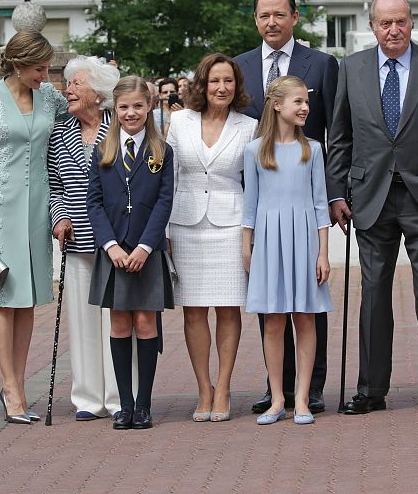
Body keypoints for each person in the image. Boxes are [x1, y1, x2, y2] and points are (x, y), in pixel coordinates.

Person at [326, 0, 418, 415]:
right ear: (372, 26)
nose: (394, 30)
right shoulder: (353, 67)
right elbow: (340, 136)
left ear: (412, 22)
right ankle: (370, 389)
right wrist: (336, 193)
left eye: (401, 21)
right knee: (373, 293)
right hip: (370, 197)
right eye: (385, 23)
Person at [235, 0, 339, 414]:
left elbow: (337, 130)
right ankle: (275, 389)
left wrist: (336, 198)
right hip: (266, 207)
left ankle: (309, 390)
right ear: (256, 19)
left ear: (295, 16)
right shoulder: (240, 67)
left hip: (304, 214)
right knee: (272, 313)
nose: (271, 22)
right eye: (264, 15)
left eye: (279, 14)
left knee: (308, 310)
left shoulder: (323, 65)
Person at [0, 30, 68, 424]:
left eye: (48, 68)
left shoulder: (50, 98)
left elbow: (78, 120)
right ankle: (10, 387)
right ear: (18, 64)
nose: (45, 75)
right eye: (39, 69)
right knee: (3, 296)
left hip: (39, 208)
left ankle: (20, 383)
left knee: (28, 299)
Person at [166, 53, 257, 422]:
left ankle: (223, 387)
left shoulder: (249, 127)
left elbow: (253, 186)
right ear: (202, 84)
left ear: (237, 87)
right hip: (185, 224)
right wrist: (166, 230)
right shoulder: (178, 121)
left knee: (229, 308)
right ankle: (203, 388)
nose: (222, 87)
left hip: (231, 226)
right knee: (194, 311)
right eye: (215, 80)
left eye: (229, 81)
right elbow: (168, 177)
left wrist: (250, 235)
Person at [243, 76, 332, 425]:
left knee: (306, 317)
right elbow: (249, 206)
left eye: (306, 102)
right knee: (274, 321)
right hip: (268, 240)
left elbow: (320, 205)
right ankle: (278, 397)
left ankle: (303, 399)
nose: (305, 107)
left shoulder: (312, 149)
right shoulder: (255, 151)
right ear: (277, 105)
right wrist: (247, 248)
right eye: (298, 101)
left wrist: (323, 253)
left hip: (305, 240)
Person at [87, 75, 174, 430]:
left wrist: (144, 246)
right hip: (114, 254)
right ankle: (124, 404)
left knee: (144, 322)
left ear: (149, 106)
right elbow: (92, 202)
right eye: (124, 107)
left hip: (145, 252)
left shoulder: (162, 151)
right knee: (120, 323)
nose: (131, 113)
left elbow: (165, 201)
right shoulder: (102, 150)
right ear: (114, 109)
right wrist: (110, 246)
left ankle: (145, 404)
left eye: (138, 106)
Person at [48, 55, 127, 421]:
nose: (69, 90)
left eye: (77, 84)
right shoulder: (59, 132)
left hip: (117, 240)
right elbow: (55, 187)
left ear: (99, 92)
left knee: (117, 318)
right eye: (69, 84)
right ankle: (87, 398)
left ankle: (118, 396)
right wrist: (60, 218)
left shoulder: (121, 128)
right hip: (77, 241)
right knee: (82, 321)